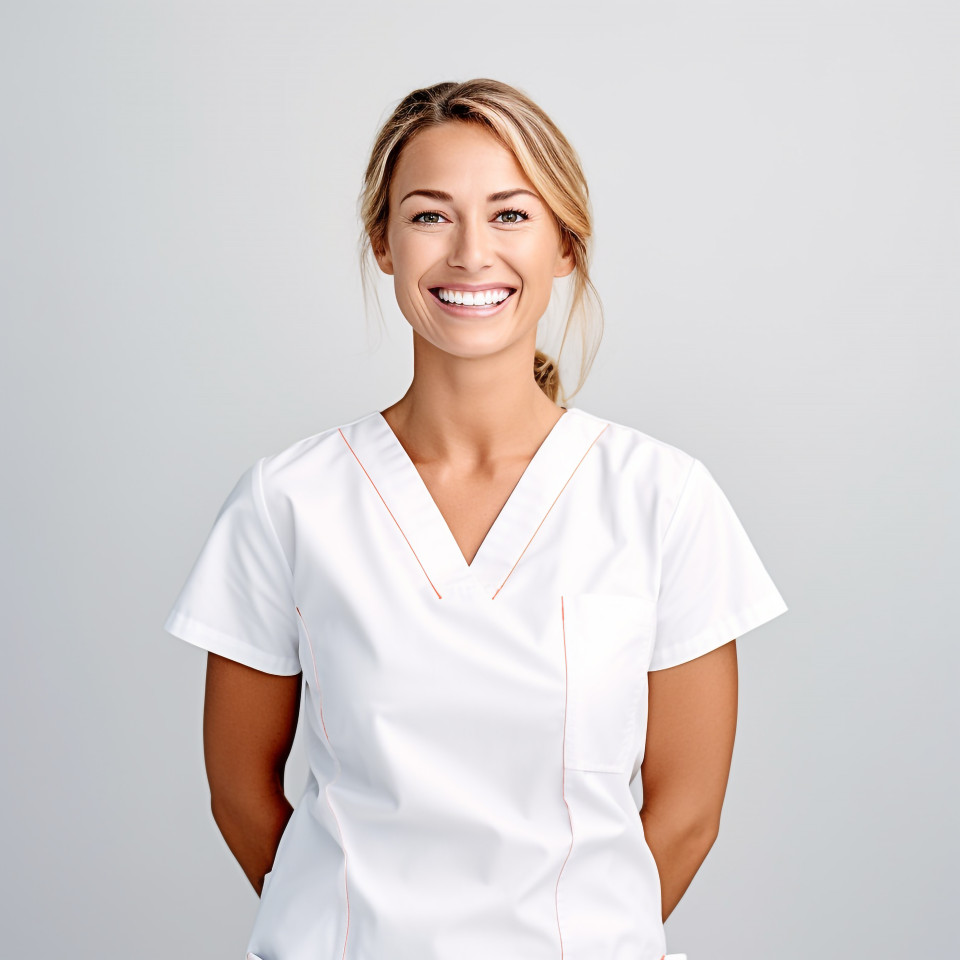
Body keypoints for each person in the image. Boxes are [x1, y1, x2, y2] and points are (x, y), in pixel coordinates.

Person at [163, 78, 788, 960]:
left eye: (510, 215)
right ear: (382, 243)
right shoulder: (288, 501)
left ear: (566, 245)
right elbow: (238, 792)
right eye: (428, 216)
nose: (468, 253)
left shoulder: (661, 498)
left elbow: (687, 817)